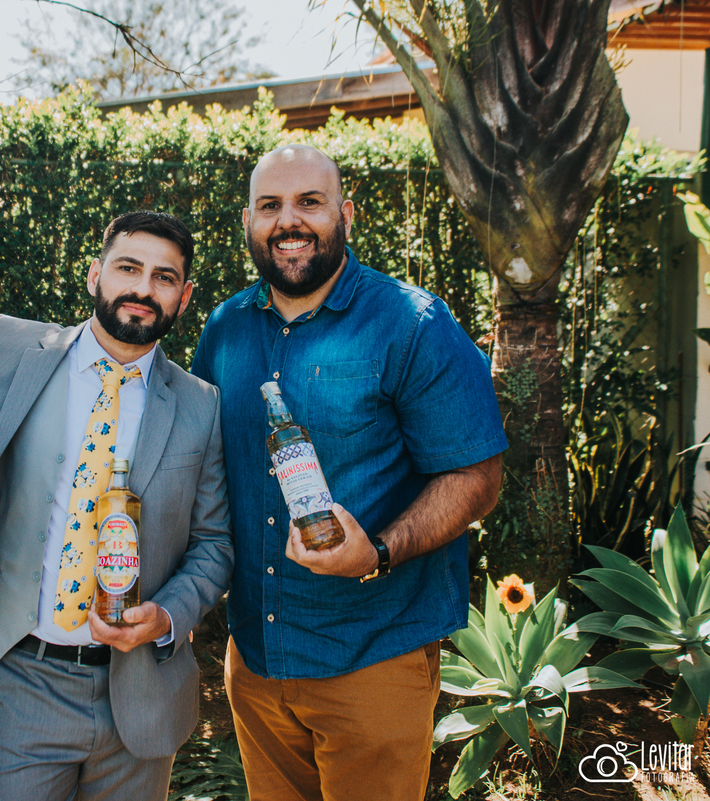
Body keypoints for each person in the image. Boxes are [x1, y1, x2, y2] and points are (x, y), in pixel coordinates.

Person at [190, 145, 508, 801]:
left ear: (346, 215)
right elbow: (198, 470)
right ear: (247, 220)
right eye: (271, 205)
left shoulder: (411, 324)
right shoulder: (224, 330)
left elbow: (477, 477)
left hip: (373, 656)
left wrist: (381, 549)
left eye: (310, 201)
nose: (289, 221)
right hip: (255, 658)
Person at [0, 211, 233, 801]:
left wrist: (168, 614)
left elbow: (215, 544)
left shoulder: (202, 405)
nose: (143, 289)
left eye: (164, 277)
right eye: (128, 268)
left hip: (143, 696)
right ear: (95, 273)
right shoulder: (9, 348)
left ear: (185, 294)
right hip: (23, 680)